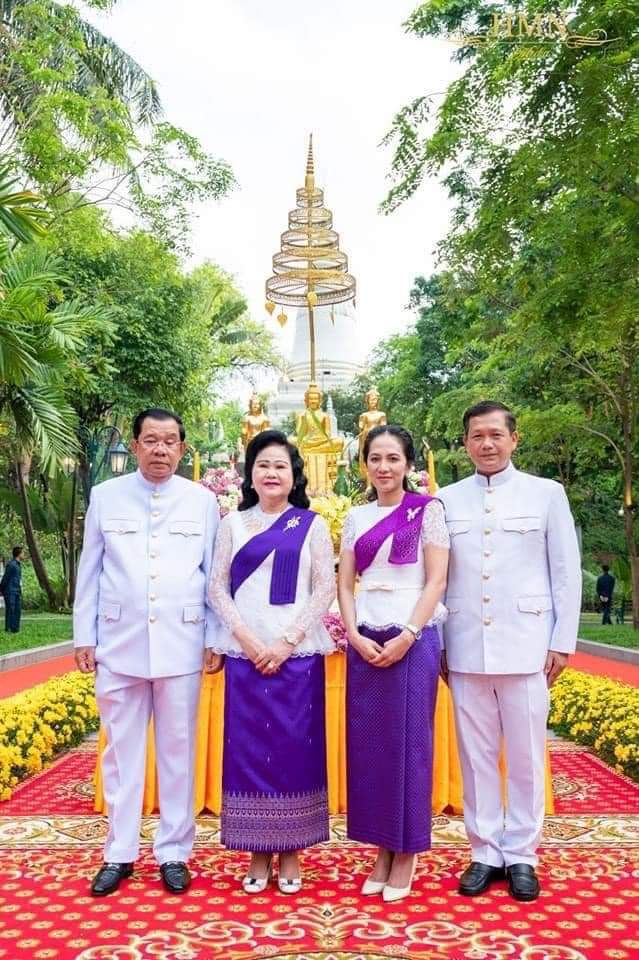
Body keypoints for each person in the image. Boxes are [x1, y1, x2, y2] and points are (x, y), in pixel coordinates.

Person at [73, 408, 222, 897]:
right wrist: (84, 636)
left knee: (178, 752)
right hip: (119, 644)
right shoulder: (106, 496)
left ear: (182, 448)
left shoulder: (202, 501)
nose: (160, 449)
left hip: (182, 644)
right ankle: (118, 853)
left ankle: (174, 852)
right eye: (151, 440)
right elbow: (90, 570)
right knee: (121, 754)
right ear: (135, 446)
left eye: (170, 441)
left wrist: (214, 637)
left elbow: (213, 576)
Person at [439, 400, 581, 902]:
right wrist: (440, 643)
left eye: (496, 434)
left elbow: (565, 572)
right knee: (476, 758)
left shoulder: (546, 494)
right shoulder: (445, 500)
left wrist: (562, 641)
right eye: (477, 436)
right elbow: (437, 578)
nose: (487, 444)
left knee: (525, 756)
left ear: (514, 439)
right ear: (465, 443)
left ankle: (522, 854)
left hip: (527, 645)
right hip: (465, 646)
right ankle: (484, 852)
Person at [209, 429, 335, 895]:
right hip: (246, 656)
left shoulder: (311, 525)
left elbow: (324, 588)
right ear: (250, 474)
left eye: (280, 465)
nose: (271, 473)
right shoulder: (233, 524)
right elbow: (217, 587)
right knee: (248, 753)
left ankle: (293, 849)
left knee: (294, 752)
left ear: (294, 474)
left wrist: (287, 641)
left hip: (296, 658)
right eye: (263, 465)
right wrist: (246, 638)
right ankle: (257, 851)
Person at [338, 425, 449, 902]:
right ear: (364, 464)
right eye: (375, 459)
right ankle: (382, 846)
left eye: (393, 459)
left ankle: (407, 851)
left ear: (408, 464)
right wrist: (353, 634)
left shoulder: (427, 511)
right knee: (372, 748)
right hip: (366, 637)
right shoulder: (356, 517)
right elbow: (345, 585)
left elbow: (437, 581)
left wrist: (408, 634)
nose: (383, 467)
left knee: (410, 745)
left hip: (412, 636)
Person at [0, 546, 24, 633]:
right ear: (19, 554)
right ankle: (9, 628)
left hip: (17, 590)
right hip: (10, 591)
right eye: (23, 553)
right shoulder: (11, 565)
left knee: (17, 610)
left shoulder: (18, 565)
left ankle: (15, 629)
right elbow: (5, 578)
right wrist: (1, 589)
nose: (24, 555)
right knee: (11, 609)